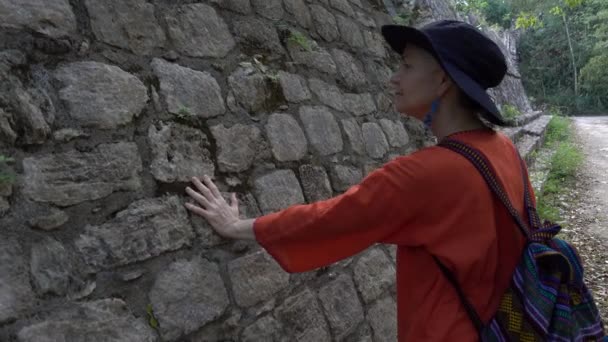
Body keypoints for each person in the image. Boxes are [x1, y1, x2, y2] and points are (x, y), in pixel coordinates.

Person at [185, 20, 532, 341]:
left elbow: (328, 221)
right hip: (505, 325)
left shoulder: (426, 174)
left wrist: (237, 225)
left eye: (407, 66)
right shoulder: (503, 150)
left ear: (443, 81)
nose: (394, 78)